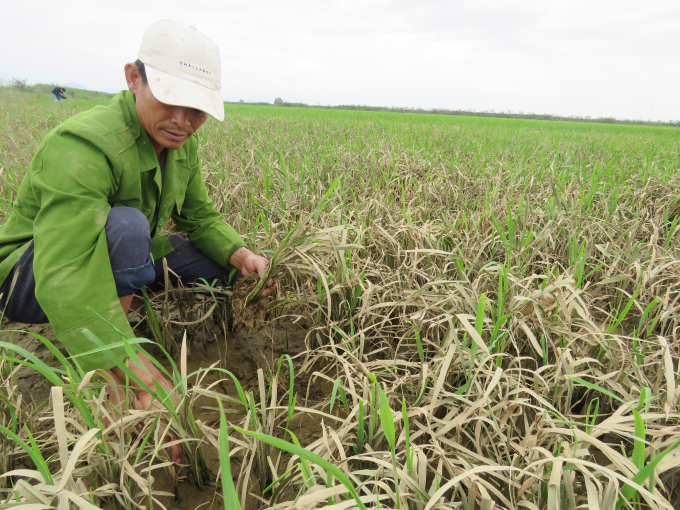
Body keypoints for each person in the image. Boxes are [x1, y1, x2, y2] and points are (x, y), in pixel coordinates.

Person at [0, 20, 276, 462]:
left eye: (197, 111)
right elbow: (64, 270)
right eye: (171, 101)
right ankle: (111, 372)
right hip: (30, 275)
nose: (183, 122)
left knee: (219, 268)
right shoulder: (83, 145)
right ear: (134, 78)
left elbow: (198, 215)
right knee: (128, 227)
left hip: (115, 253)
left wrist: (241, 254)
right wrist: (125, 363)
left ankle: (125, 316)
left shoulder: (179, 143)